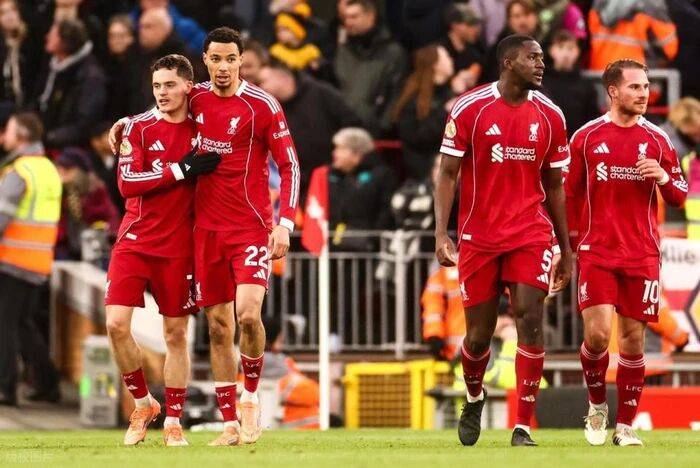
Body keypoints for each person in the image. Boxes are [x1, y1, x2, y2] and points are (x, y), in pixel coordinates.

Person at [109, 28, 300, 446]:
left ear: (241, 60)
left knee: (247, 314)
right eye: (216, 59)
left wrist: (285, 222)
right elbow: (163, 102)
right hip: (205, 231)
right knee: (217, 327)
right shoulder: (195, 96)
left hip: (250, 226)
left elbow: (289, 165)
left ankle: (250, 398)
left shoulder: (263, 105)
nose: (224, 67)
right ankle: (229, 424)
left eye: (231, 59)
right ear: (206, 62)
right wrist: (125, 125)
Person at [434, 34, 572, 447]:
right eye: (533, 57)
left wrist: (566, 248)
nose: (542, 64)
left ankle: (523, 425)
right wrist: (441, 232)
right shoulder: (470, 108)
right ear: (509, 62)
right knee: (478, 335)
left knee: (530, 318)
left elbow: (556, 186)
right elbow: (447, 174)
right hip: (480, 236)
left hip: (530, 232)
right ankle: (474, 396)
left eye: (542, 57)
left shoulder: (551, 114)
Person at [565, 59, 688, 447]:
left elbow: (680, 195)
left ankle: (626, 427)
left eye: (646, 86)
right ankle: (597, 404)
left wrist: (663, 176)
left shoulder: (658, 140)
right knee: (598, 336)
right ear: (613, 91)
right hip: (597, 251)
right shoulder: (586, 137)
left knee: (633, 341)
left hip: (641, 253)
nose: (644, 93)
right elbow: (569, 195)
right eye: (635, 86)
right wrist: (566, 246)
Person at [105, 54, 220, 446]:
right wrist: (179, 170)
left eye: (170, 85)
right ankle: (143, 404)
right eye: (157, 86)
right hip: (135, 240)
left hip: (180, 247)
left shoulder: (203, 127)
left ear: (189, 86)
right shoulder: (137, 128)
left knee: (175, 334)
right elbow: (127, 184)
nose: (162, 92)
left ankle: (173, 420)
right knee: (116, 324)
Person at [0, 112, 62, 406]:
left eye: (8, 131)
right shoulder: (48, 168)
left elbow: (2, 216)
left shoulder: (20, 171)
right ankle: (48, 383)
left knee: (4, 323)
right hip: (38, 259)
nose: (4, 137)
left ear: (22, 136)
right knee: (23, 322)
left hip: (12, 259)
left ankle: (5, 388)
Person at [257, 60, 361, 198]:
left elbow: (353, 124)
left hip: (335, 179)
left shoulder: (321, 93)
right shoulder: (272, 109)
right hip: (300, 185)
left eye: (264, 81)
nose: (261, 87)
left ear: (282, 78)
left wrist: (341, 158)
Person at [333, 0, 407, 135]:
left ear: (371, 16)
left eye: (354, 17)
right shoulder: (342, 51)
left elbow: (396, 93)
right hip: (341, 130)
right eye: (345, 18)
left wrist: (383, 127)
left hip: (375, 134)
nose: (348, 22)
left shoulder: (392, 52)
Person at [35, 18, 106, 151]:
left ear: (65, 42)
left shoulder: (90, 76)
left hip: (68, 148)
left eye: (53, 35)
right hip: (45, 136)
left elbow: (84, 124)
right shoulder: (51, 64)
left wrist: (48, 138)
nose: (47, 37)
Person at [392, 44, 455, 180]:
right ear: (435, 64)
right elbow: (414, 136)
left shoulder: (448, 93)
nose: (451, 59)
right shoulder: (412, 99)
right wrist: (445, 113)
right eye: (446, 56)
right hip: (421, 167)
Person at [587, 0, 678, 71]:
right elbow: (669, 49)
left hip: (601, 74)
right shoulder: (651, 5)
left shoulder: (599, 4)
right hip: (638, 76)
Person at [542, 30, 599, 137]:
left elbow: (592, 121)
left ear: (577, 52)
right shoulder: (541, 84)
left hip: (576, 142)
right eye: (560, 47)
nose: (565, 54)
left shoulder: (586, 86)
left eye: (570, 48)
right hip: (546, 140)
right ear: (551, 50)